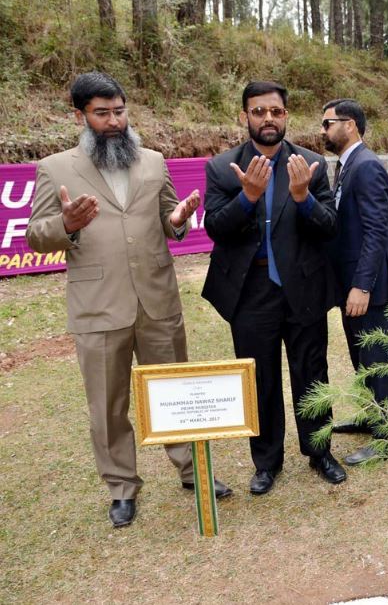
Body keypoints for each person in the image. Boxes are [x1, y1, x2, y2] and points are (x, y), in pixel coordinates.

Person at [26, 71, 231, 528]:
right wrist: (67, 223)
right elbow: (36, 237)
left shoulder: (154, 161)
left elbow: (168, 217)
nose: (115, 121)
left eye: (120, 111)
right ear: (80, 115)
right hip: (98, 306)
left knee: (176, 391)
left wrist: (177, 219)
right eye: (102, 114)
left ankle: (191, 470)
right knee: (107, 403)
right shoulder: (55, 168)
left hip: (157, 299)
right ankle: (121, 487)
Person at [202, 81, 344, 495]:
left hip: (302, 287)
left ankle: (319, 452)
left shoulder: (311, 163)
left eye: (276, 112)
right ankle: (266, 462)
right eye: (259, 111)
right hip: (251, 292)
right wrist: (247, 197)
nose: (268, 118)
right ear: (244, 116)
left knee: (312, 374)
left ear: (286, 116)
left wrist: (303, 199)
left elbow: (330, 227)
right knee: (259, 379)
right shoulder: (222, 167)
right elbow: (215, 227)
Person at [322, 98, 388, 466]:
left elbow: (375, 231)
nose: (323, 130)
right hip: (352, 284)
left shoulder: (367, 167)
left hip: (368, 288)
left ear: (349, 124)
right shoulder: (347, 164)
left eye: (328, 123)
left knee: (376, 357)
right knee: (361, 356)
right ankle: (373, 415)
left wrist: (362, 285)